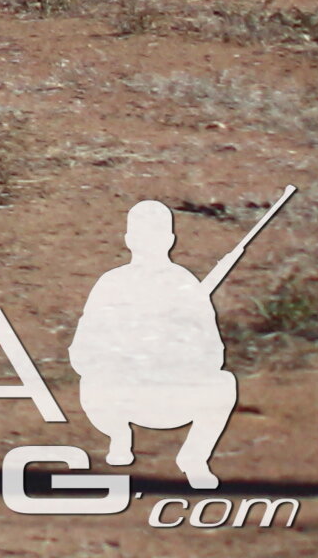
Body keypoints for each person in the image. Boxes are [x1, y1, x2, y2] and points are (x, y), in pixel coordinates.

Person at [74, 200, 243, 490]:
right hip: (121, 394)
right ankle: (119, 436)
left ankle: (194, 458)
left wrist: (173, 352)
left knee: (223, 383)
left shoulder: (186, 286)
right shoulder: (112, 283)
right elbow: (82, 352)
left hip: (172, 396)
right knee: (91, 382)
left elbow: (213, 354)